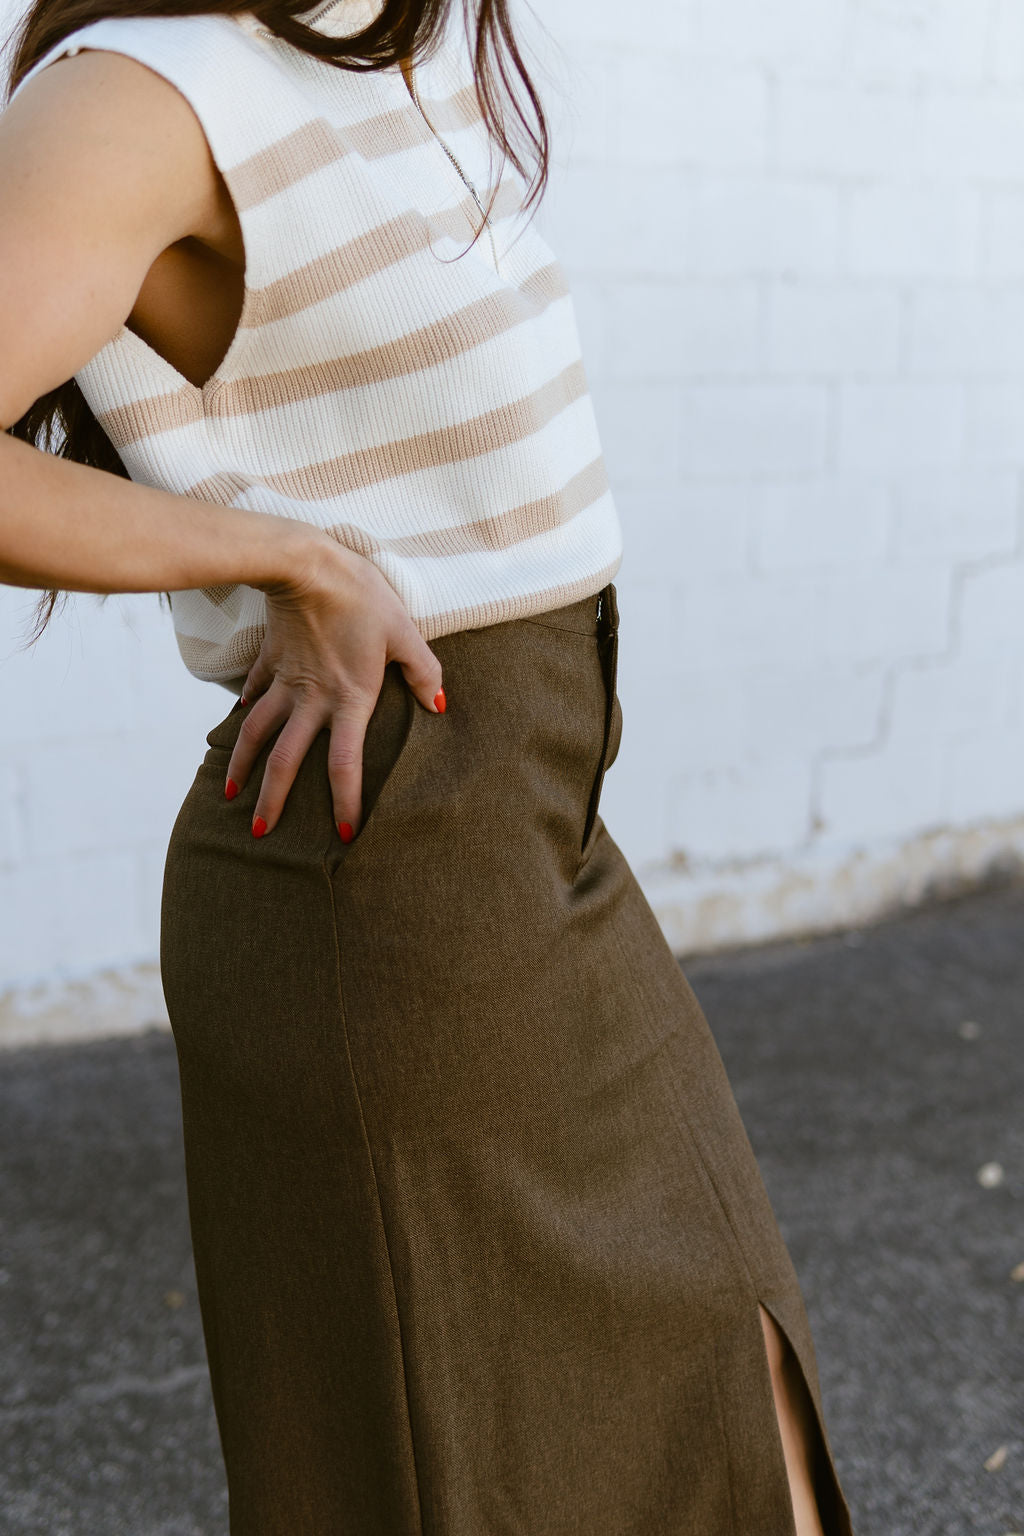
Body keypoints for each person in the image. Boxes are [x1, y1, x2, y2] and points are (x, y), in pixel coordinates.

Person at [0, 1, 856, 1530]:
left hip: (539, 837)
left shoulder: (367, 50)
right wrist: (286, 558)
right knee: (476, 1470)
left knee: (733, 1397)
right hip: (383, 872)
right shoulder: (140, 94)